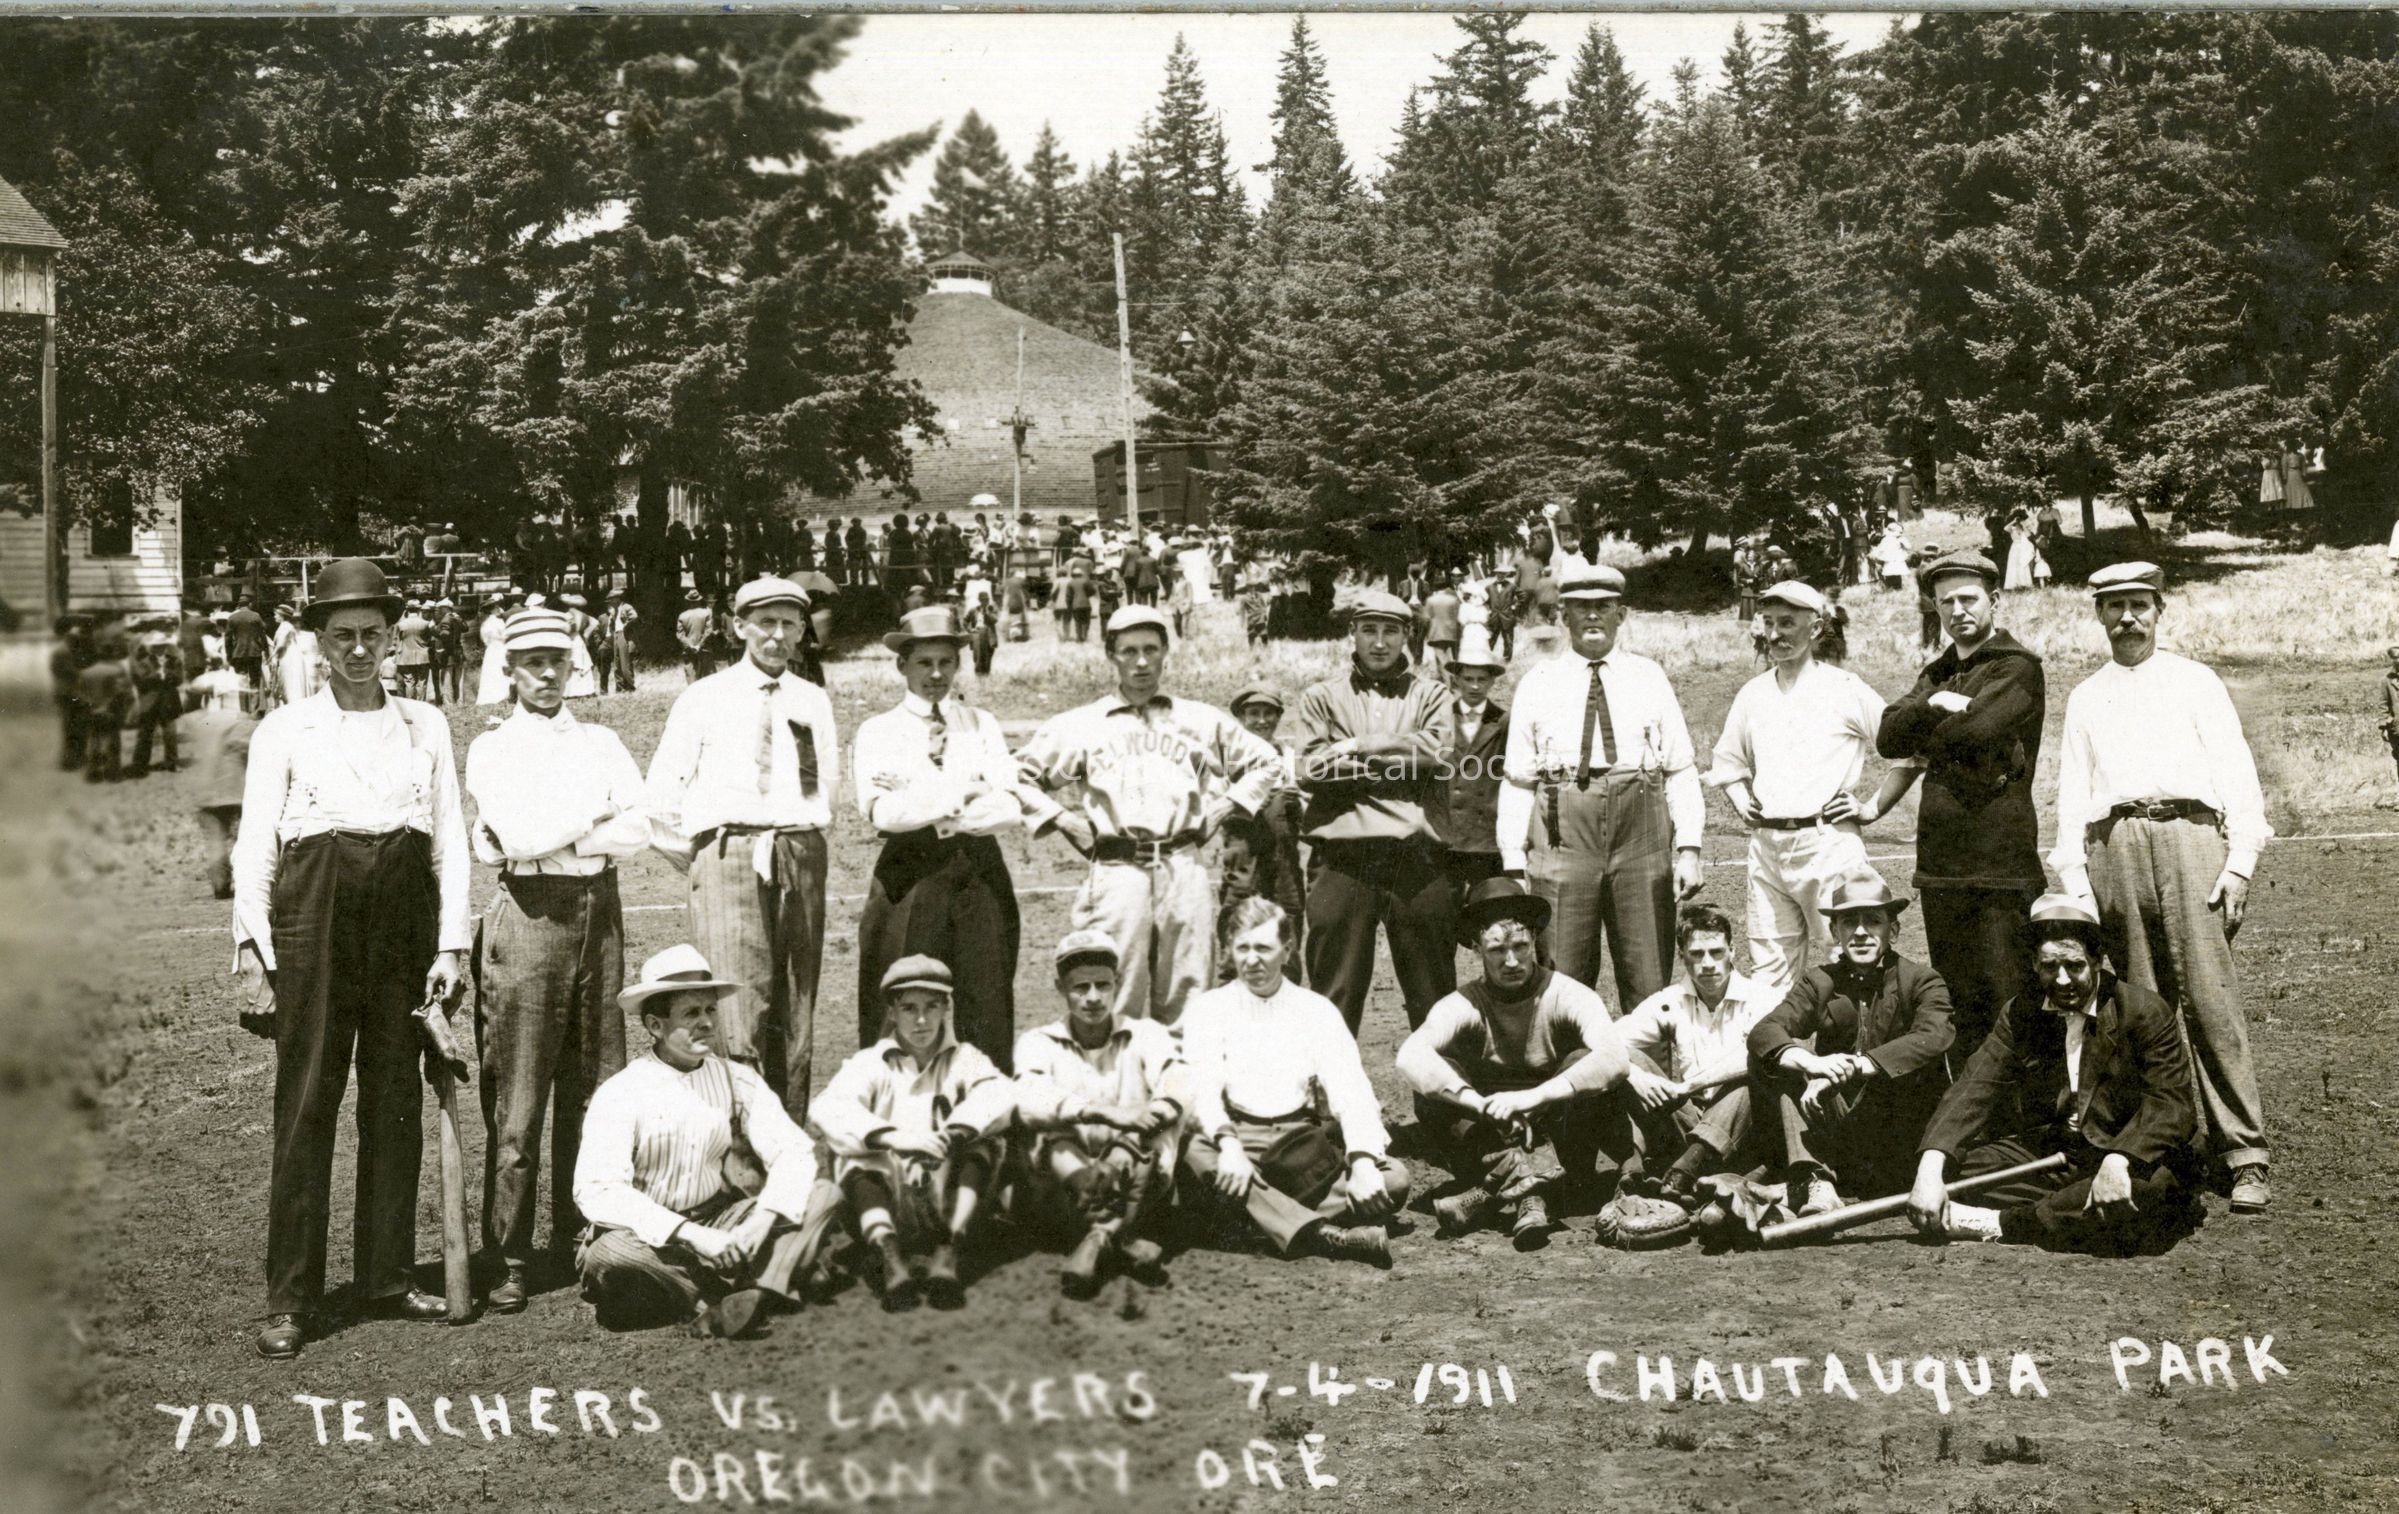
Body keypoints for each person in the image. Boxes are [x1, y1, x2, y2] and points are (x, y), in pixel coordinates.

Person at [230, 558, 472, 1359]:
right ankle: (290, 1297)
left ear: (394, 637)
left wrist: (450, 942)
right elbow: (255, 843)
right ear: (319, 641)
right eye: (343, 637)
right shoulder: (285, 728)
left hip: (403, 910)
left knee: (394, 1097)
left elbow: (450, 839)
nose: (360, 650)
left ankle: (386, 1277)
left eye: (373, 635)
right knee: (308, 1103)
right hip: (315, 908)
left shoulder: (425, 724)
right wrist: (253, 947)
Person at [2052, 561, 2274, 1213]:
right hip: (2114, 848)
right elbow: (2071, 791)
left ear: (2158, 610)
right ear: (2099, 615)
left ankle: (2244, 1154)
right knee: (2139, 1012)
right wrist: (2076, 880)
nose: (2127, 618)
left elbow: (2237, 772)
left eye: (2139, 605)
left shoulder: (2194, 681)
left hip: (2189, 839)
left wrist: (2239, 861)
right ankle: (2163, 1147)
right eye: (2114, 606)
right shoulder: (2086, 696)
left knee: (2210, 1003)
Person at [464, 606, 651, 1312]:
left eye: (558, 661)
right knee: (519, 1095)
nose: (547, 674)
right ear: (510, 669)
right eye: (532, 662)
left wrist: (568, 832)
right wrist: (592, 817)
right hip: (530, 912)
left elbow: (642, 823)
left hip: (600, 911)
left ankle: (583, 1232)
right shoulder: (493, 748)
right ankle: (509, 1253)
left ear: (574, 665)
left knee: (596, 1082)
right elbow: (516, 836)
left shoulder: (601, 740)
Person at [1015, 605, 1279, 1029]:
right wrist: (1065, 821)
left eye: (1151, 650)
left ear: (1165, 652)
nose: (1141, 662)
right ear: (1111, 655)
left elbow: (1267, 762)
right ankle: (1117, 1072)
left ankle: (1182, 1073)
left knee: (1190, 993)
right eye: (1129, 651)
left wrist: (1222, 807)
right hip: (1118, 869)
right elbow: (1016, 776)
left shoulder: (1196, 719)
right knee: (1116, 989)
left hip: (1182, 865)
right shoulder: (1082, 724)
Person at [1908, 894, 2205, 1253]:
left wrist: (2118, 1159)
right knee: (1951, 1172)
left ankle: (2000, 1223)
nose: (2062, 980)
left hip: (2134, 1151)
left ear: (2097, 960)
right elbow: (1975, 1086)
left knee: (2146, 1195)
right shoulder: (2021, 1012)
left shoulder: (2143, 1010)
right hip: (2062, 1152)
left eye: (2074, 965)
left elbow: (2170, 1104)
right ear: (2034, 963)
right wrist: (1931, 1166)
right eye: (2050, 966)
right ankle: (2065, 1208)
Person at [573, 946, 841, 1338]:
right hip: (646, 1236)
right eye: (691, 1014)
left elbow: (793, 1151)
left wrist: (761, 1221)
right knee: (608, 1255)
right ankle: (738, 1291)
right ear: (655, 1025)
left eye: (711, 1010)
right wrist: (695, 1236)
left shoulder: (736, 1078)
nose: (707, 1023)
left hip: (719, 1218)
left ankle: (731, 1293)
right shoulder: (622, 1091)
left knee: (823, 1194)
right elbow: (598, 1190)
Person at [647, 576, 839, 1120]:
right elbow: (660, 800)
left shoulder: (811, 700)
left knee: (795, 1009)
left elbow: (823, 789)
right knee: (734, 1008)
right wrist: (709, 858)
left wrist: (794, 845)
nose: (777, 636)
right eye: (765, 623)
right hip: (728, 857)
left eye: (788, 624)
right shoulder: (704, 697)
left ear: (801, 631)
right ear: (739, 628)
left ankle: (788, 1141)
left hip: (799, 854)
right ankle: (733, 1143)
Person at [1499, 564, 1706, 1008]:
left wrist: (1689, 849)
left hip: (1641, 835)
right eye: (1581, 607)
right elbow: (1518, 780)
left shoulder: (1649, 676)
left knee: (1649, 978)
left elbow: (1680, 768)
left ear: (1621, 614)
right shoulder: (1538, 682)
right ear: (1563, 616)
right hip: (1562, 837)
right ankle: (1566, 1054)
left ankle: (1649, 1054)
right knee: (1561, 977)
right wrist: (1514, 863)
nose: (1592, 616)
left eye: (1603, 606)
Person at [1709, 581, 1917, 1001]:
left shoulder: (1845, 687)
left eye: (1787, 623)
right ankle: (1778, 1047)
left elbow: (1910, 752)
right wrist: (1742, 803)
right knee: (1769, 974)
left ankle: (1858, 1044)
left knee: (1851, 960)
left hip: (1828, 844)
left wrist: (1872, 808)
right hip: (1767, 848)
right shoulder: (1753, 693)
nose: (1775, 634)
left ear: (1817, 627)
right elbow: (1727, 763)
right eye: (1768, 623)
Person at [1396, 880, 1631, 1249]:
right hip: (1493, 1133)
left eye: (1520, 947)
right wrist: (1478, 1104)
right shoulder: (1465, 1002)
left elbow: (1615, 1056)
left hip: (1557, 1132)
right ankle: (1531, 1192)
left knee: (1583, 1061)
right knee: (1434, 1081)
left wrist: (1534, 1097)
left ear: (1534, 939)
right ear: (1476, 948)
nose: (1511, 961)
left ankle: (1494, 1192)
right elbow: (1410, 1055)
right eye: (1496, 949)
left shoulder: (1565, 993)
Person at [1874, 551, 2045, 1057]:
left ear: (1994, 600)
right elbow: (1888, 738)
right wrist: (1934, 704)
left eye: (1968, 599)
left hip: (1999, 866)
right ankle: (1972, 1107)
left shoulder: (2017, 667)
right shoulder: (1937, 673)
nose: (1957, 610)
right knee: (1959, 1003)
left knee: (2009, 1002)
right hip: (1941, 868)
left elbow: (1976, 733)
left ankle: (2023, 1106)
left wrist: (1925, 726)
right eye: (1945, 602)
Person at [1180, 900, 1408, 1266]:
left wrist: (1364, 1162)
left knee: (1393, 1181)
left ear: (1287, 951)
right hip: (1237, 1143)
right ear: (1230, 950)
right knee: (1193, 1149)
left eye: (1263, 948)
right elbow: (1202, 1089)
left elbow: (1351, 1090)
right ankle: (1324, 1236)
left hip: (1299, 1149)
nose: (1252, 960)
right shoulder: (1209, 1009)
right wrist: (1228, 1145)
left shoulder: (1315, 1009)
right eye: (1242, 948)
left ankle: (1257, 1217)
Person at [852, 605, 1029, 1070]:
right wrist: (966, 791)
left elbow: (1010, 807)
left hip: (979, 870)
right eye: (924, 663)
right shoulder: (878, 731)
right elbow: (884, 812)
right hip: (908, 876)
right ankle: (899, 1101)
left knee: (985, 998)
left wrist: (920, 795)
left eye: (946, 662)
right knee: (904, 996)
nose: (936, 674)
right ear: (902, 665)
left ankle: (982, 1105)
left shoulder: (981, 724)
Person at [1292, 590, 1460, 1034]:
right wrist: (1400, 759)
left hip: (1415, 855)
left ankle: (1440, 1082)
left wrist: (1356, 745)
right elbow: (1311, 768)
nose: (1380, 642)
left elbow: (1438, 752)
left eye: (1390, 631)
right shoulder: (1322, 697)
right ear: (1353, 633)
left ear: (1407, 636)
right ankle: (1330, 1081)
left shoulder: (1432, 695)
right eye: (1369, 630)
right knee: (1334, 992)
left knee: (1433, 996)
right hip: (1342, 855)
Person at [1744, 873, 1956, 1217]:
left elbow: (1934, 1036)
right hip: (1839, 1131)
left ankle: (1796, 1185)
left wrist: (1855, 1066)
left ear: (1893, 931)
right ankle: (1817, 1182)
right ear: (1834, 932)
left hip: (1897, 1134)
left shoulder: (1921, 980)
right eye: (1848, 923)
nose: (1860, 932)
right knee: (1770, 1056)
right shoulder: (1820, 981)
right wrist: (1811, 1063)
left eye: (1872, 921)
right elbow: (1765, 1031)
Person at [813, 956, 1015, 1311]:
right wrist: (893, 1138)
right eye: (909, 1008)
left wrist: (955, 1133)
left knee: (984, 1143)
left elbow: (1001, 1093)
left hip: (946, 1200)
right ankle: (889, 1256)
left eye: (931, 1006)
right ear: (892, 1012)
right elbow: (828, 1107)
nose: (921, 1020)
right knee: (850, 1150)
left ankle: (950, 1250)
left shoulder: (966, 1058)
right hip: (888, 1202)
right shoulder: (870, 1062)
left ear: (946, 1008)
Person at [1012, 930, 1188, 1296]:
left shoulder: (1145, 1034)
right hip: (1067, 1185)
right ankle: (1118, 1238)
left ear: (1117, 982)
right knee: (1045, 1125)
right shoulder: (1038, 1041)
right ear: (1060, 988)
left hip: (1134, 1179)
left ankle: (1097, 1237)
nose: (1093, 997)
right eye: (1081, 987)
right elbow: (1028, 1098)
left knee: (1156, 1126)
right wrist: (1103, 1113)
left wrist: (1149, 1117)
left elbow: (1180, 1081)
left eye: (1103, 985)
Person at [1216, 686, 1306, 982]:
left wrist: (1296, 802)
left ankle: (1287, 993)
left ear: (1278, 717)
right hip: (1243, 862)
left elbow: (1307, 818)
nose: (1262, 720)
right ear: (1241, 718)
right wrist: (1248, 799)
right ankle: (1232, 994)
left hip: (1284, 861)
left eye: (1269, 713)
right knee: (1237, 921)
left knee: (1287, 923)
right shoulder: (1228, 759)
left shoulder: (1289, 758)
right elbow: (1214, 808)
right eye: (1254, 713)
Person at [1440, 626, 1513, 899]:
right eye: (1468, 678)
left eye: (1481, 679)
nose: (1474, 686)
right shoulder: (1439, 718)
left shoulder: (1504, 721)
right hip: (1446, 834)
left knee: (1489, 904)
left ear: (1492, 681)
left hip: (1485, 836)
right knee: (1443, 909)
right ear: (1456, 679)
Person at [49, 615, 90, 771]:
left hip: (67, 692)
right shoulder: (63, 650)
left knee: (74, 725)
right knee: (72, 726)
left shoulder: (64, 648)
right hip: (69, 692)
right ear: (67, 630)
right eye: (72, 628)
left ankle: (75, 757)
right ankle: (71, 759)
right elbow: (69, 672)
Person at [474, 594, 514, 706]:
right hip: (500, 648)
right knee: (499, 672)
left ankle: (488, 697)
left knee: (490, 672)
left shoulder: (485, 624)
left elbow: (484, 639)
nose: (498, 609)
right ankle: (501, 695)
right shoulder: (499, 622)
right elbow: (506, 635)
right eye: (496, 607)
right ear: (493, 610)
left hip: (491, 650)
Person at [224, 596, 270, 692]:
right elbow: (263, 635)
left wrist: (229, 655)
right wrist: (266, 651)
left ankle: (244, 702)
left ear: (239, 605)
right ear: (250, 604)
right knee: (255, 681)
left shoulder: (232, 618)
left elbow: (227, 638)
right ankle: (255, 701)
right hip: (254, 652)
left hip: (238, 653)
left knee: (241, 681)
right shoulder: (256, 616)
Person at [673, 589, 716, 684]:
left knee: (692, 682)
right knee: (707, 682)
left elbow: (680, 635)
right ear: (699, 600)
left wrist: (691, 646)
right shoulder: (706, 613)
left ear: (688, 601)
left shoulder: (682, 616)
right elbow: (708, 631)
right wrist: (699, 645)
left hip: (689, 652)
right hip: (705, 650)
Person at [392, 600, 432, 699]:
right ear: (419, 610)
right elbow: (429, 639)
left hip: (406, 656)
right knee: (422, 681)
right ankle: (420, 703)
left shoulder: (401, 624)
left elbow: (396, 641)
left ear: (407, 610)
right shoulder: (426, 624)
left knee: (409, 682)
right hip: (422, 656)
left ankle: (410, 703)